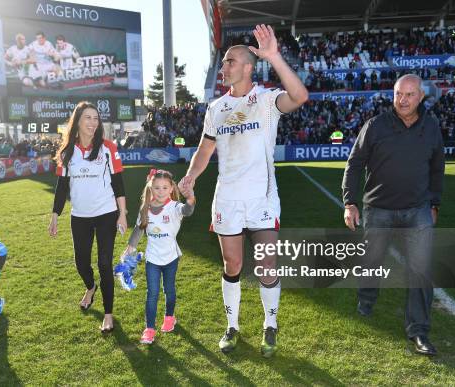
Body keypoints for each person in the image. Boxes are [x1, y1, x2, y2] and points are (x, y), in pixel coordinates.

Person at [179, 25, 308, 357]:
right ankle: (232, 326)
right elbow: (205, 151)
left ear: (249, 67)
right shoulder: (216, 108)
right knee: (232, 264)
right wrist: (191, 176)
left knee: (267, 265)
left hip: (261, 198)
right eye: (223, 62)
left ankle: (270, 325)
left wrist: (274, 56)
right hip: (228, 199)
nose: (224, 67)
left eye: (230, 61)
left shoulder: (265, 100)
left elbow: (300, 96)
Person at [342, 74, 445, 356]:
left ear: (421, 97)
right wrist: (350, 203)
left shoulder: (432, 127)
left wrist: (434, 204)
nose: (403, 100)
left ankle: (419, 331)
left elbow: (437, 168)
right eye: (399, 94)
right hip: (379, 209)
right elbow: (354, 165)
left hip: (418, 210)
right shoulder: (375, 126)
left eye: (410, 95)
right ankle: (366, 299)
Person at [49, 101, 127, 333]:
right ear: (78, 121)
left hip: (106, 213)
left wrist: (122, 214)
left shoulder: (108, 148)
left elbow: (118, 183)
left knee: (104, 263)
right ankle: (90, 287)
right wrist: (55, 215)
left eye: (96, 118)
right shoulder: (66, 152)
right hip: (79, 216)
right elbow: (61, 187)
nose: (93, 123)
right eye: (88, 118)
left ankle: (108, 314)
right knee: (81, 262)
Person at [121, 169, 196, 344]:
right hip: (152, 259)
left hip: (171, 258)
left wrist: (191, 197)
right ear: (151, 189)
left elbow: (188, 210)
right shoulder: (145, 208)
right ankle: (149, 329)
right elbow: (139, 229)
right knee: (152, 293)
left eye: (164, 187)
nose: (160, 191)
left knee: (168, 289)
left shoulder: (175, 207)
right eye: (156, 188)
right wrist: (130, 247)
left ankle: (169, 317)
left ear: (171, 188)